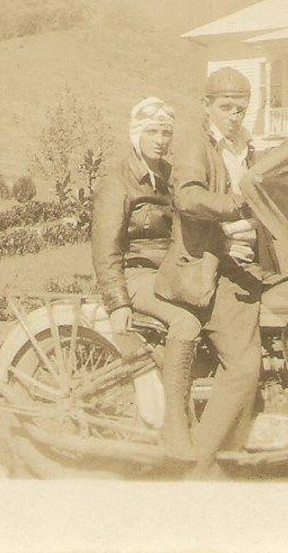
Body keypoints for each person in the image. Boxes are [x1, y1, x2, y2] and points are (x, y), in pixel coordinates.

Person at [159, 67, 278, 475]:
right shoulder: (196, 141)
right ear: (206, 105)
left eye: (241, 109)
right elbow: (187, 196)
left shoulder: (246, 145)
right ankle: (198, 466)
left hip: (246, 261)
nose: (234, 115)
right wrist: (235, 204)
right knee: (245, 367)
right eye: (227, 107)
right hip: (211, 267)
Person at [91, 96, 203, 461]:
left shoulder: (171, 177)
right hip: (138, 275)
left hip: (172, 273)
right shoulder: (117, 181)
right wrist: (118, 301)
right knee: (185, 323)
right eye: (152, 131)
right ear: (136, 133)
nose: (160, 139)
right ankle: (173, 427)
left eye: (166, 132)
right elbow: (105, 247)